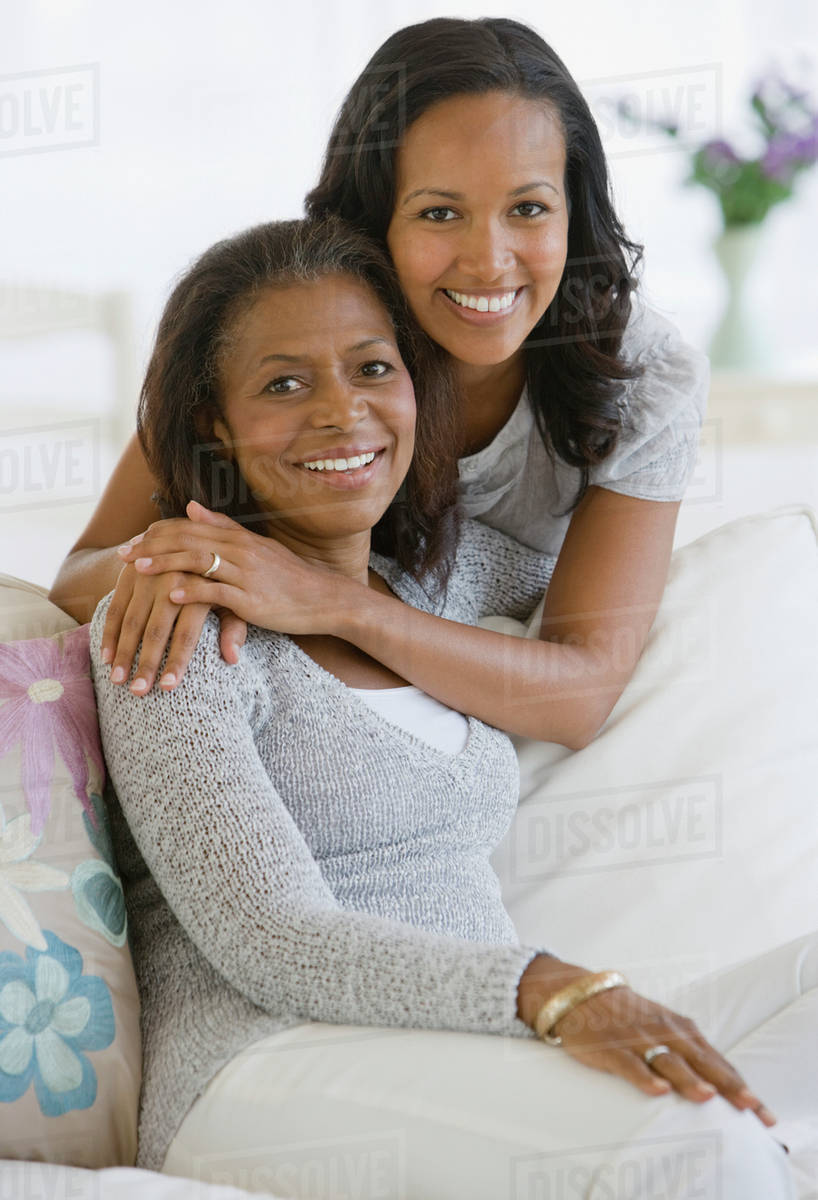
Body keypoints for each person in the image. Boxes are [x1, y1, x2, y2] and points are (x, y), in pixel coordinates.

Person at [89, 217, 797, 1198]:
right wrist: (551, 990)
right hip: (262, 1068)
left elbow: (586, 638)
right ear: (215, 424)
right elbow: (273, 939)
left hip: (482, 1050)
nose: (343, 413)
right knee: (695, 1147)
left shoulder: (443, 585)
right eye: (283, 384)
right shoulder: (174, 629)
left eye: (372, 368)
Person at [54, 16, 708, 750]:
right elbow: (76, 579)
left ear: (572, 211)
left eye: (528, 209)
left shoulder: (646, 376)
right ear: (376, 216)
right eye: (439, 213)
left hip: (484, 728)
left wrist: (336, 603)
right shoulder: (284, 328)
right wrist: (175, 566)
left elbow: (582, 690)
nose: (490, 263)